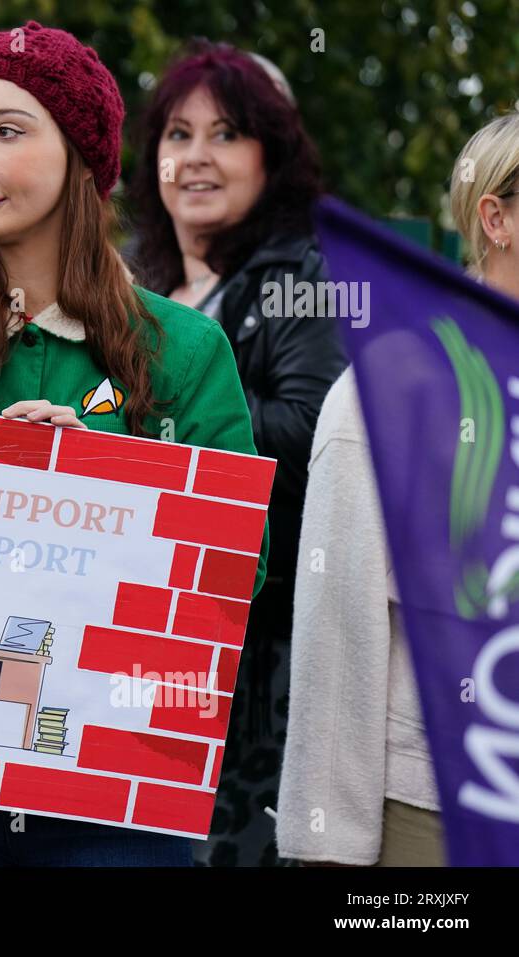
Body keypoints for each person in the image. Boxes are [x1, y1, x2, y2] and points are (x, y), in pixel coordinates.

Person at [0, 21, 266, 867]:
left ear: (83, 158)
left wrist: (107, 483)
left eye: (6, 130)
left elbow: (230, 569)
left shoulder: (184, 351)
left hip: (117, 790)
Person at [276, 113, 519, 866]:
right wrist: (329, 845)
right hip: (436, 815)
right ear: (496, 217)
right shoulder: (393, 389)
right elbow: (338, 631)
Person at [128, 42, 348, 866]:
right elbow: (111, 407)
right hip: (147, 631)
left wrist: (168, 416)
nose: (195, 158)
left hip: (262, 646)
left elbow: (312, 429)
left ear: (270, 153)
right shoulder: (134, 292)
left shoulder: (299, 276)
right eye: (177, 135)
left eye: (225, 134)